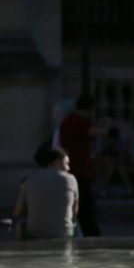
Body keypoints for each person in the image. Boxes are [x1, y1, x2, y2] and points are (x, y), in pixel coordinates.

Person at [58, 94, 106, 237]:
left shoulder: (67, 121)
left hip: (72, 169)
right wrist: (107, 126)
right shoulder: (78, 121)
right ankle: (93, 238)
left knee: (79, 207)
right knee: (86, 209)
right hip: (79, 171)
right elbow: (96, 132)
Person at [13, 147, 79, 240]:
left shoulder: (28, 181)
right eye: (66, 164)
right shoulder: (71, 179)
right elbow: (75, 211)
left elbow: (18, 211)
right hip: (63, 233)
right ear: (57, 161)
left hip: (35, 233)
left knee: (20, 222)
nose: (68, 168)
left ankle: (22, 249)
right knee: (75, 223)